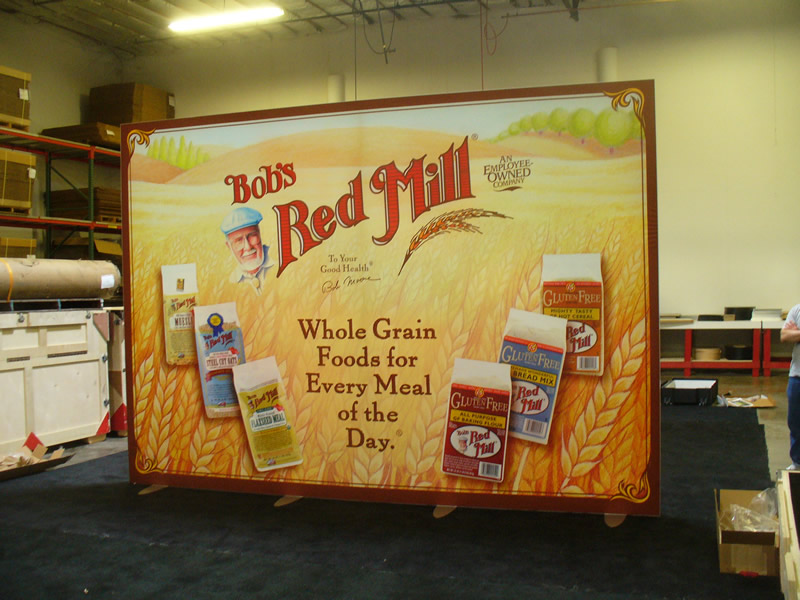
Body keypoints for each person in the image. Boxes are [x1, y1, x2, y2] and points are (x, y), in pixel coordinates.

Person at [220, 206, 273, 294]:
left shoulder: (278, 261)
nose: (248, 247)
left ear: (260, 234)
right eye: (238, 241)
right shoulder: (230, 281)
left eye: (252, 236)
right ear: (229, 246)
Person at [782, 303, 800, 469]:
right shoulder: (797, 310)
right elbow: (784, 336)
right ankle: (797, 462)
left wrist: (797, 333)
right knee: (795, 422)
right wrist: (791, 334)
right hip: (796, 376)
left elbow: (791, 335)